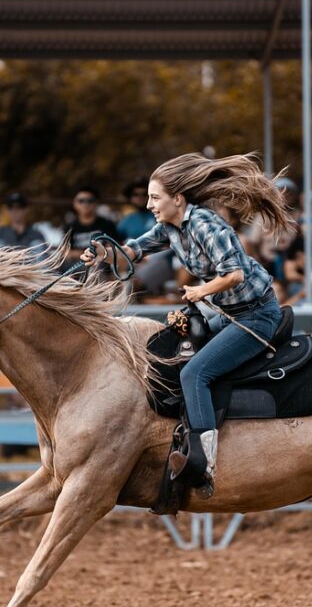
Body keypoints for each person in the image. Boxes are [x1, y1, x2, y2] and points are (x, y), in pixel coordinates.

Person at [83, 153, 290, 498]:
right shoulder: (171, 228)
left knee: (195, 373)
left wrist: (199, 292)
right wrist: (103, 254)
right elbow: (133, 251)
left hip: (256, 316)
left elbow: (234, 274)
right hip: (228, 312)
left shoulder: (206, 225)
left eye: (155, 197)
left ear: (177, 199)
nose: (149, 204)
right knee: (174, 355)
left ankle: (203, 463)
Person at [64, 185, 119, 262]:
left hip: (102, 263)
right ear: (74, 204)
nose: (85, 204)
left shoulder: (107, 225)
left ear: (97, 203)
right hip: (76, 264)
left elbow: (113, 249)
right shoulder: (69, 227)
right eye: (81, 201)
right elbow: (66, 253)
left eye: (90, 201)